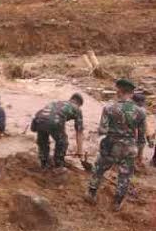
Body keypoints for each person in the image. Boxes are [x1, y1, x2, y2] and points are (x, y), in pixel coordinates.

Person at [87, 79, 147, 211]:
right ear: (132, 93)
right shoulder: (141, 112)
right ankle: (117, 203)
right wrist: (140, 156)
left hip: (110, 145)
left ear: (118, 91)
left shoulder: (108, 108)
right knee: (124, 175)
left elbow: (102, 130)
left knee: (99, 169)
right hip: (129, 148)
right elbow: (142, 138)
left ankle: (91, 193)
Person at [31, 93, 84, 170]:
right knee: (62, 142)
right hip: (54, 121)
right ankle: (58, 165)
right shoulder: (77, 108)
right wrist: (79, 151)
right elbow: (79, 132)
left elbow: (41, 113)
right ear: (79, 103)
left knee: (43, 142)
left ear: (71, 99)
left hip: (39, 119)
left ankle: (44, 163)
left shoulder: (56, 102)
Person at [132, 93, 155, 167]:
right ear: (140, 102)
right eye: (144, 101)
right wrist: (149, 140)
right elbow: (144, 128)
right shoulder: (142, 111)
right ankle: (138, 162)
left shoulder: (124, 108)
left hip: (122, 136)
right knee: (139, 147)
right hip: (137, 137)